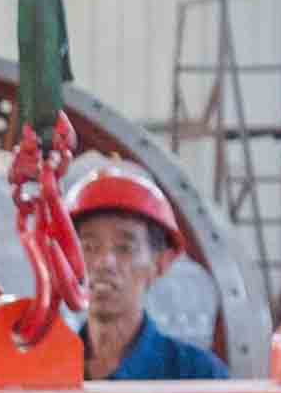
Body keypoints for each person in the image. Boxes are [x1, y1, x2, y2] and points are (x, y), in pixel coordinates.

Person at [68, 159, 228, 379]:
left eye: (124, 248)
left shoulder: (197, 376)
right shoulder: (46, 371)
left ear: (160, 264)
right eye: (89, 247)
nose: (104, 262)